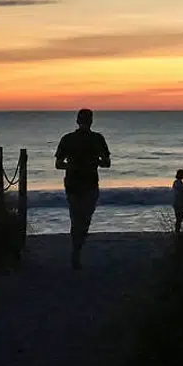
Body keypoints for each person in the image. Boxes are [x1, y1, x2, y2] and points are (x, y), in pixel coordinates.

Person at [54, 108, 111, 269]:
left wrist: (72, 166)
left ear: (77, 121)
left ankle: (76, 250)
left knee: (76, 217)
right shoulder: (97, 139)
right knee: (85, 219)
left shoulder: (67, 139)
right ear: (91, 121)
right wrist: (93, 163)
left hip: (72, 182)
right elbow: (107, 163)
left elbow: (58, 165)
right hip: (90, 183)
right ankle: (77, 250)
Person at [171, 169, 183, 235]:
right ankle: (177, 231)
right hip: (180, 203)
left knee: (179, 219)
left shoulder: (176, 182)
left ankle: (177, 231)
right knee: (179, 218)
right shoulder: (178, 183)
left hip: (178, 202)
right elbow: (181, 193)